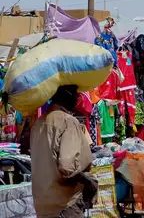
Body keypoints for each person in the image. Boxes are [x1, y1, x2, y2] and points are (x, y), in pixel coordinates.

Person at [31, 85, 97, 217]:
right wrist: (88, 181)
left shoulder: (38, 123)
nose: (78, 98)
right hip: (65, 204)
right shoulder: (68, 122)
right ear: (66, 96)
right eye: (75, 94)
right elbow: (68, 167)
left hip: (42, 204)